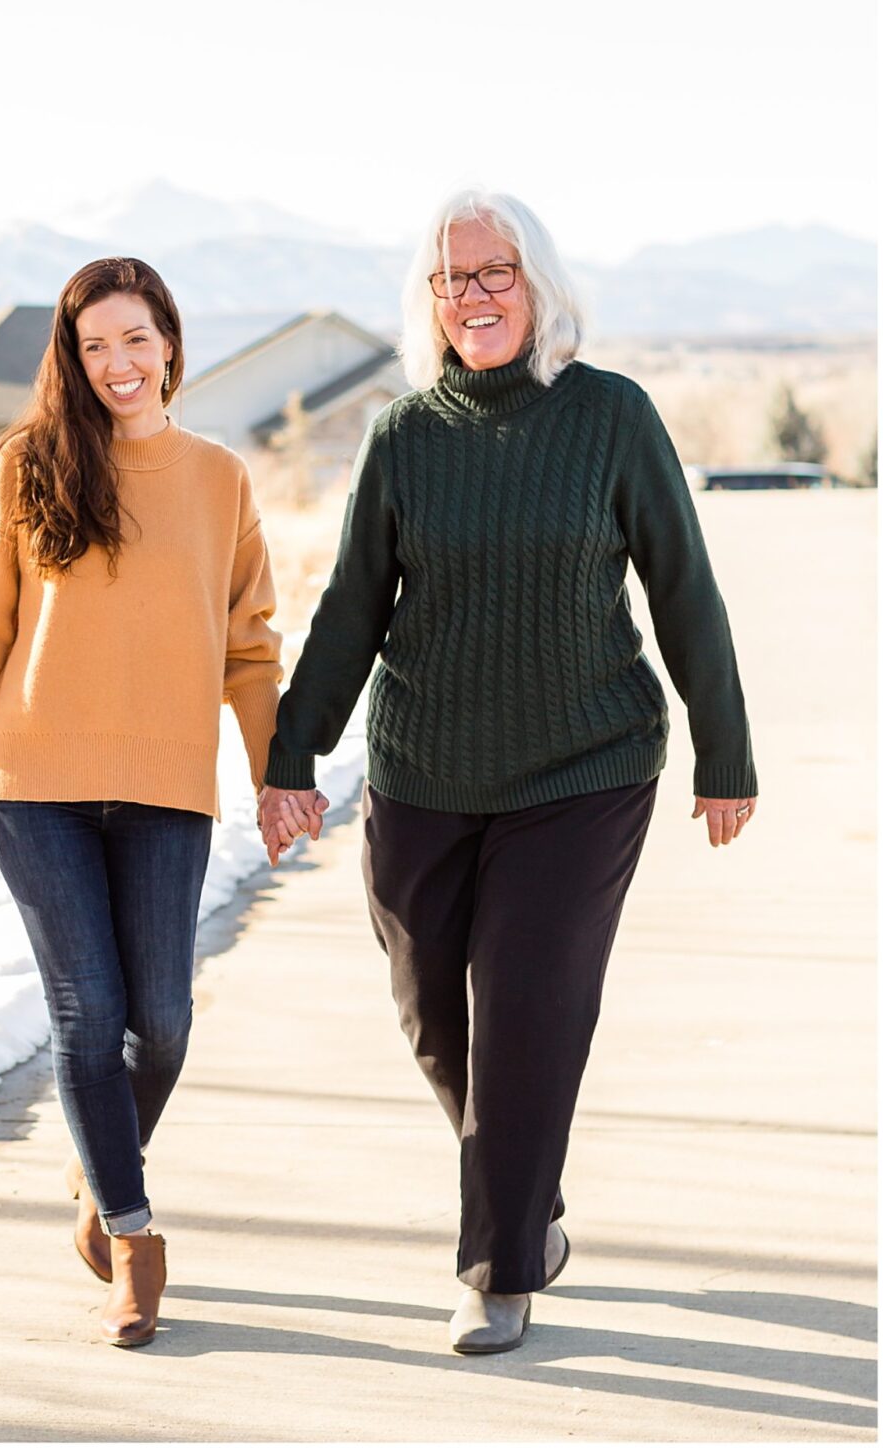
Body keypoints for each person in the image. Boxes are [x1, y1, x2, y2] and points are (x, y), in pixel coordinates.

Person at [256, 188, 757, 1356]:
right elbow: (348, 614)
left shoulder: (610, 416)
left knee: (525, 1011)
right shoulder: (402, 436)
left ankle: (497, 1266)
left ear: (537, 283)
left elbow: (682, 585)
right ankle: (528, 1191)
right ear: (425, 301)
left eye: (493, 272)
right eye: (450, 278)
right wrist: (293, 756)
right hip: (424, 764)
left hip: (584, 763)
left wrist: (723, 748)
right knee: (434, 1012)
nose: (472, 295)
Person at [0, 256, 283, 1348]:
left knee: (159, 1024)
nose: (116, 364)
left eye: (134, 338)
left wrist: (273, 775)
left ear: (169, 340)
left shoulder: (218, 478)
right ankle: (133, 1237)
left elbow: (251, 649)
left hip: (167, 784)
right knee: (87, 1017)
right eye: (93, 346)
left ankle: (96, 1172)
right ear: (72, 362)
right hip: (38, 787)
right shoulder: (28, 466)